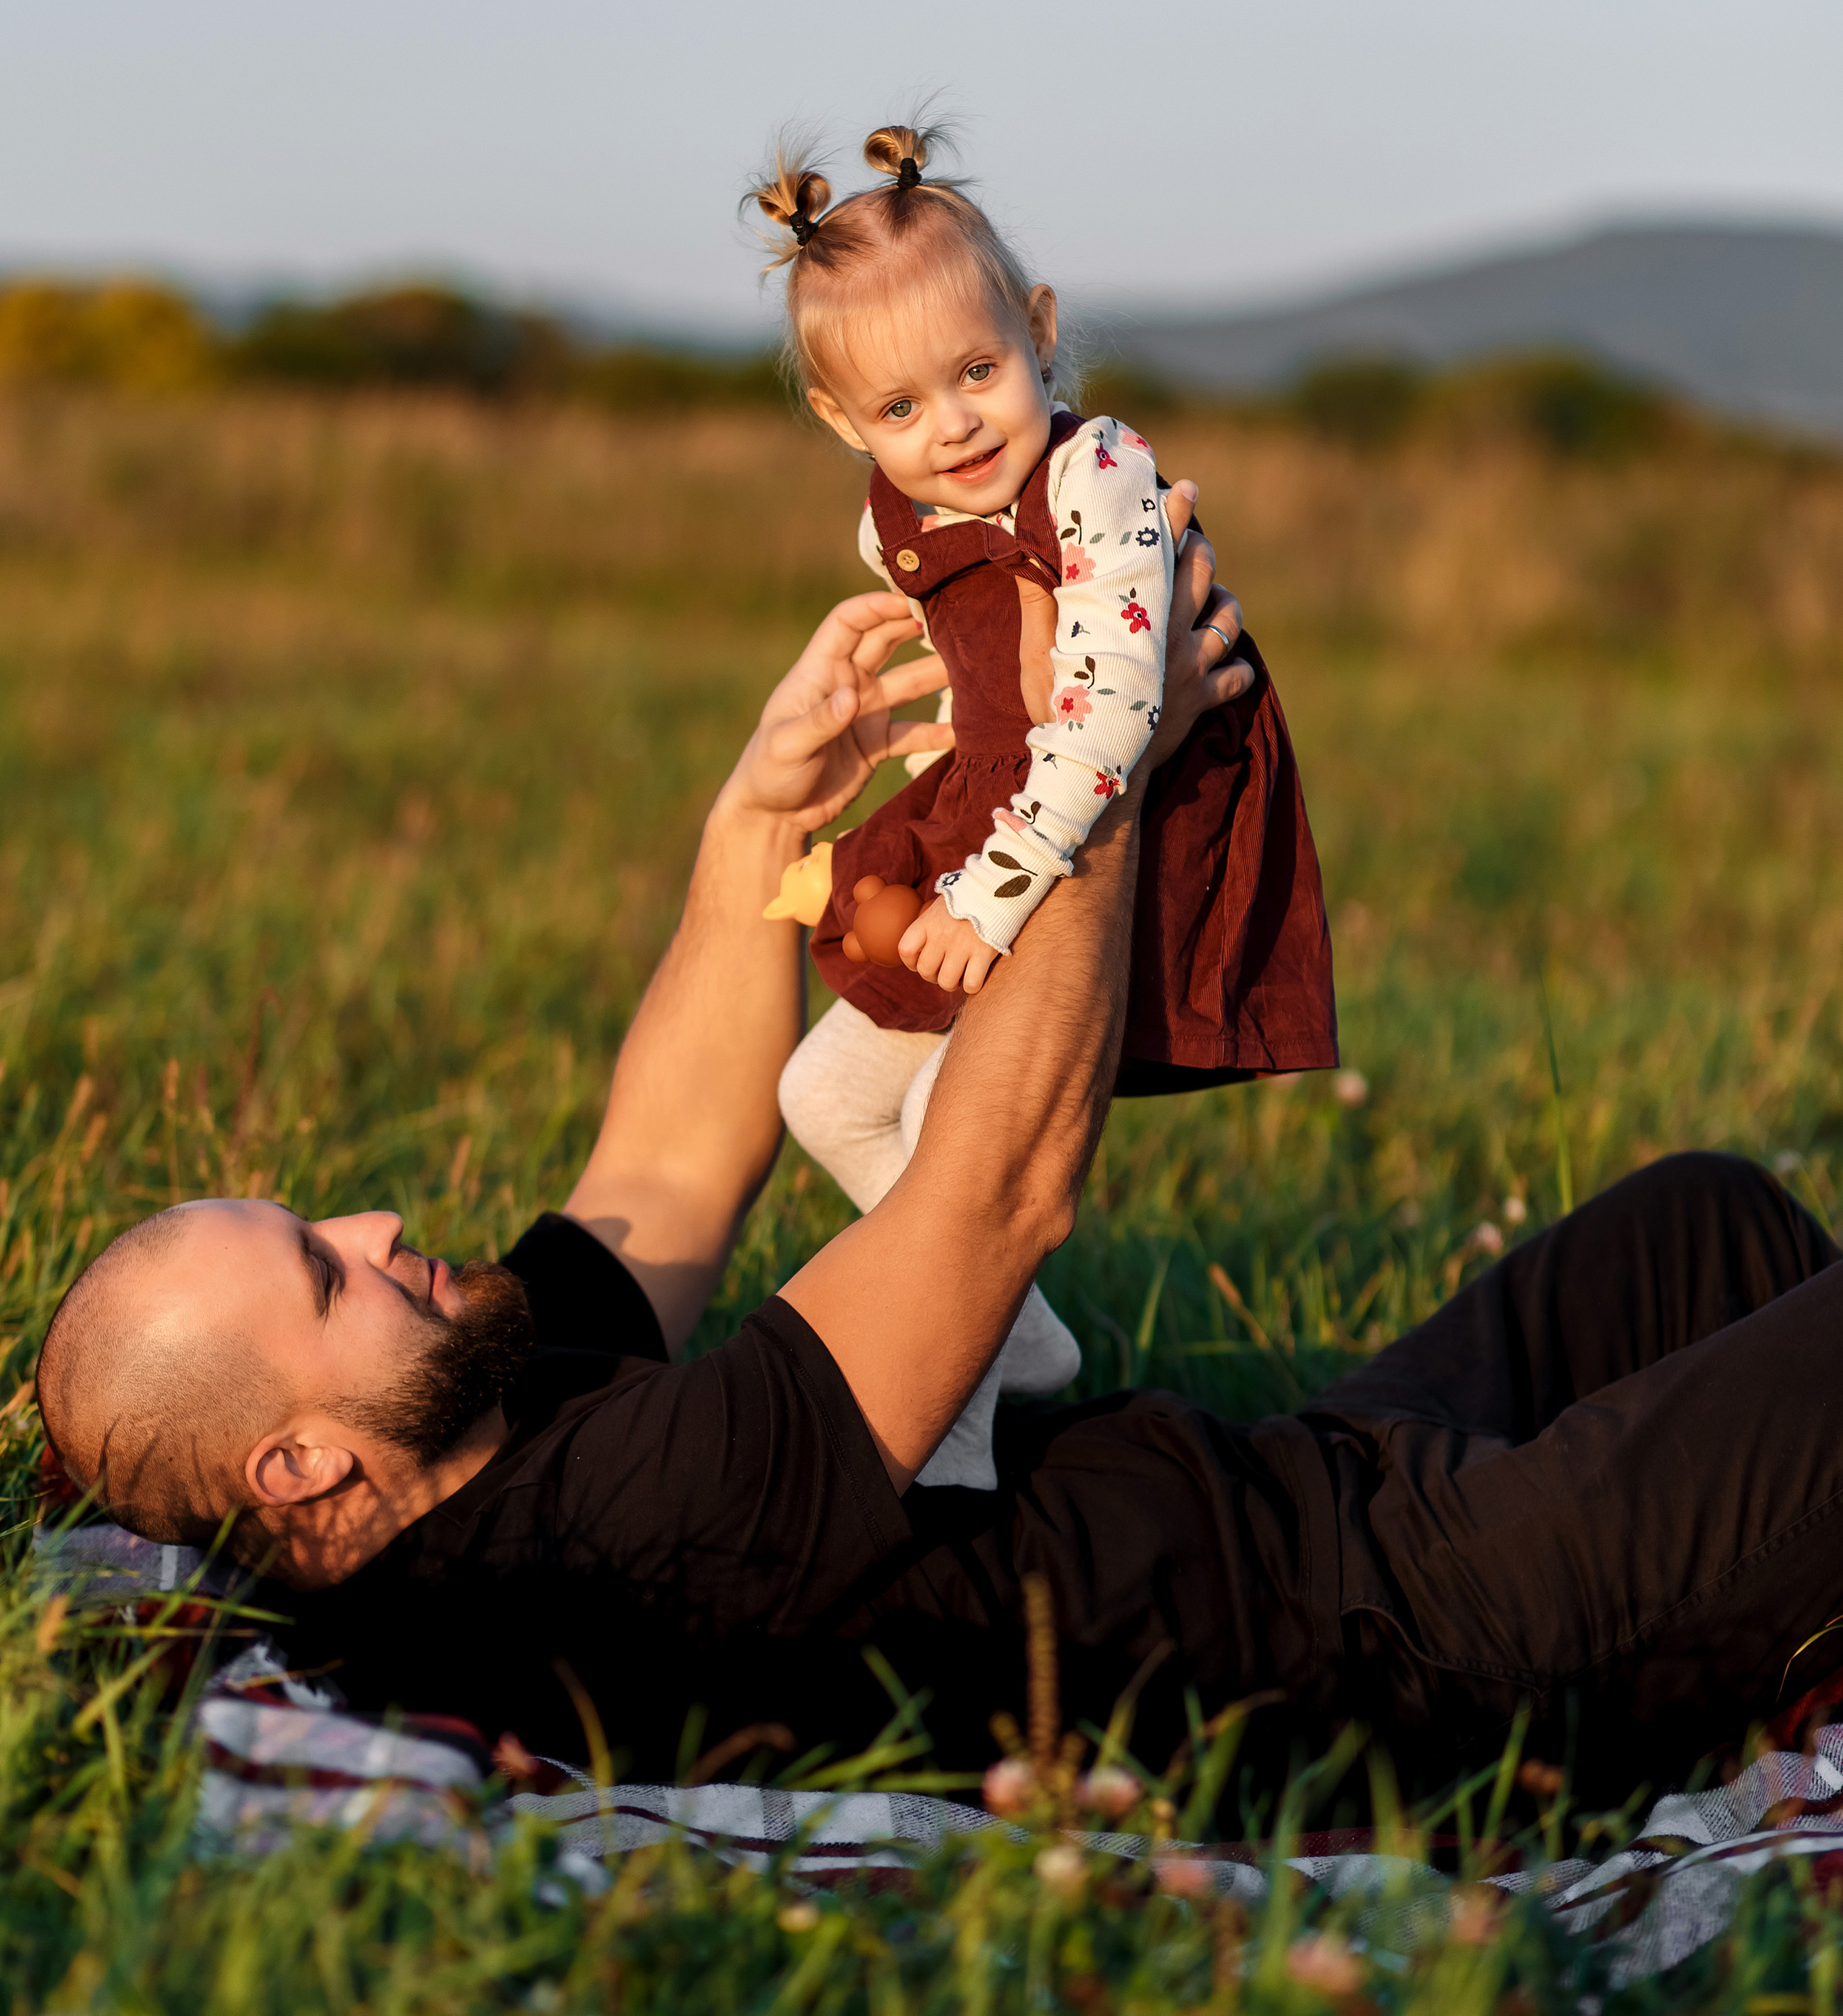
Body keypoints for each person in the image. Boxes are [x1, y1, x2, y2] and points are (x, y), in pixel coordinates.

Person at [32, 526, 1843, 1811]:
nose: (376, 1226)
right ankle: (1676, 1665)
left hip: (1298, 1484)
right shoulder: (605, 1549)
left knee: (1706, 1226)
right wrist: (1094, 760)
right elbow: (991, 1192)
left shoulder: (483, 1427)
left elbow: (657, 1163)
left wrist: (759, 817)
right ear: (301, 1466)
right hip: (1420, 1639)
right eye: (326, 1270)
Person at [753, 120, 1336, 1485]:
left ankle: (946, 1463)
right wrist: (955, 741)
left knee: (951, 1153)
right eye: (898, 408)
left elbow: (1123, 708)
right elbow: (998, 656)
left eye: (976, 371)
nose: (950, 426)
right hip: (1004, 823)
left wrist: (991, 887)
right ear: (844, 423)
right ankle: (1019, 1342)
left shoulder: (1101, 477)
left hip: (1113, 845)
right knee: (823, 1092)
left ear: (1039, 328)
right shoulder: (888, 517)